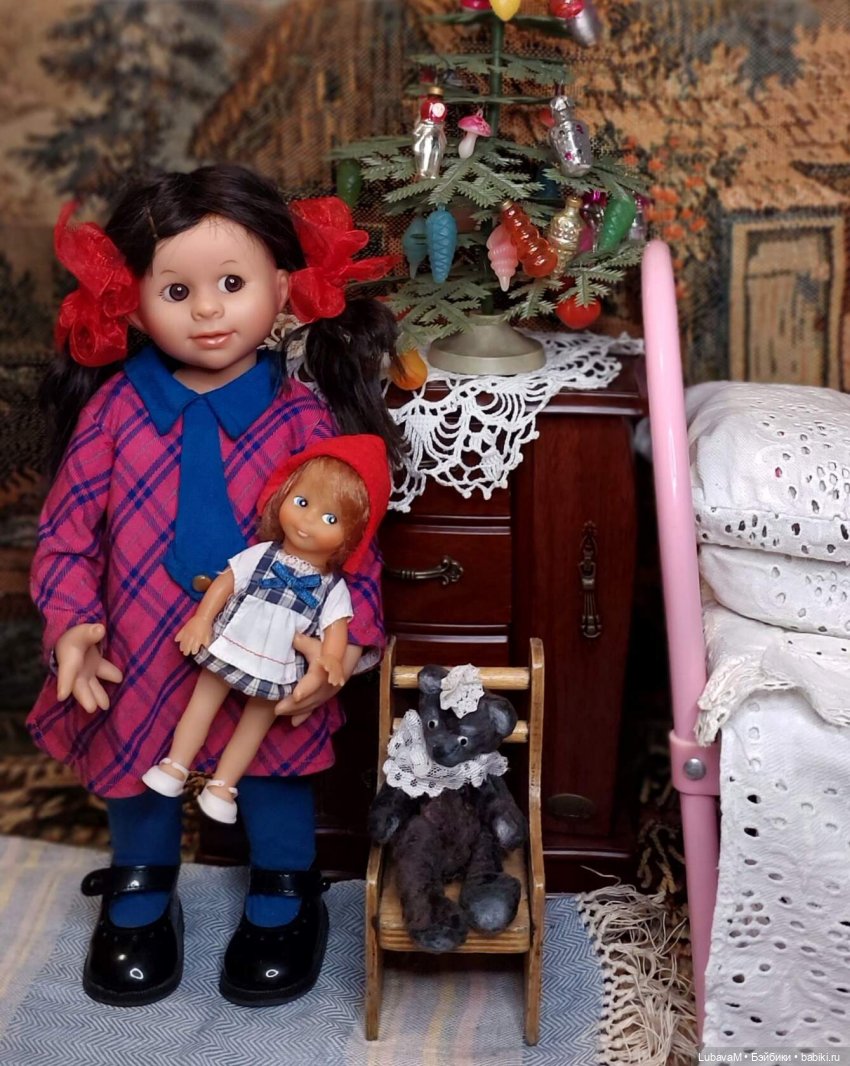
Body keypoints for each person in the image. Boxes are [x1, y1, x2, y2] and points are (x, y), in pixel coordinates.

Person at [28, 164, 405, 1008]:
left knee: (273, 762)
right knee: (135, 753)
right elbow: (66, 532)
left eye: (231, 284)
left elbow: (352, 548)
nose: (207, 310)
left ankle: (285, 884)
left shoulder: (301, 419)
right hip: (140, 641)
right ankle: (140, 884)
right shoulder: (115, 413)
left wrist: (345, 647)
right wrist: (72, 623)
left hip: (272, 643)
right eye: (177, 290)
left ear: (283, 286)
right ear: (132, 302)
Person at [142, 435, 390, 827]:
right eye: (302, 503)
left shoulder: (331, 587)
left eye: (330, 519)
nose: (307, 522)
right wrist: (201, 620)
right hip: (230, 642)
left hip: (278, 663)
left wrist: (330, 659)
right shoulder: (263, 555)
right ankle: (176, 764)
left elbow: (336, 627)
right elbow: (226, 582)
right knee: (201, 705)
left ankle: (223, 786)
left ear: (354, 535)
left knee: (253, 727)